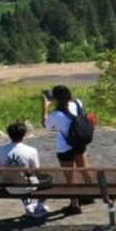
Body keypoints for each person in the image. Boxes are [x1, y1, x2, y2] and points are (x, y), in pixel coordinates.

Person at [42, 85, 89, 215]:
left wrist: (45, 105)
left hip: (65, 147)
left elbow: (45, 124)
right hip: (80, 142)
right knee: (84, 169)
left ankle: (75, 205)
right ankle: (90, 194)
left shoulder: (56, 114)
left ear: (55, 98)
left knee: (70, 177)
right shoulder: (78, 103)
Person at [0, 122, 48, 218]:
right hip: (27, 185)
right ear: (24, 135)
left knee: (17, 179)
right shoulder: (31, 150)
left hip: (9, 186)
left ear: (9, 135)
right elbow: (37, 170)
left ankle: (27, 205)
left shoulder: (0, 150)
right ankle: (39, 206)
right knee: (46, 180)